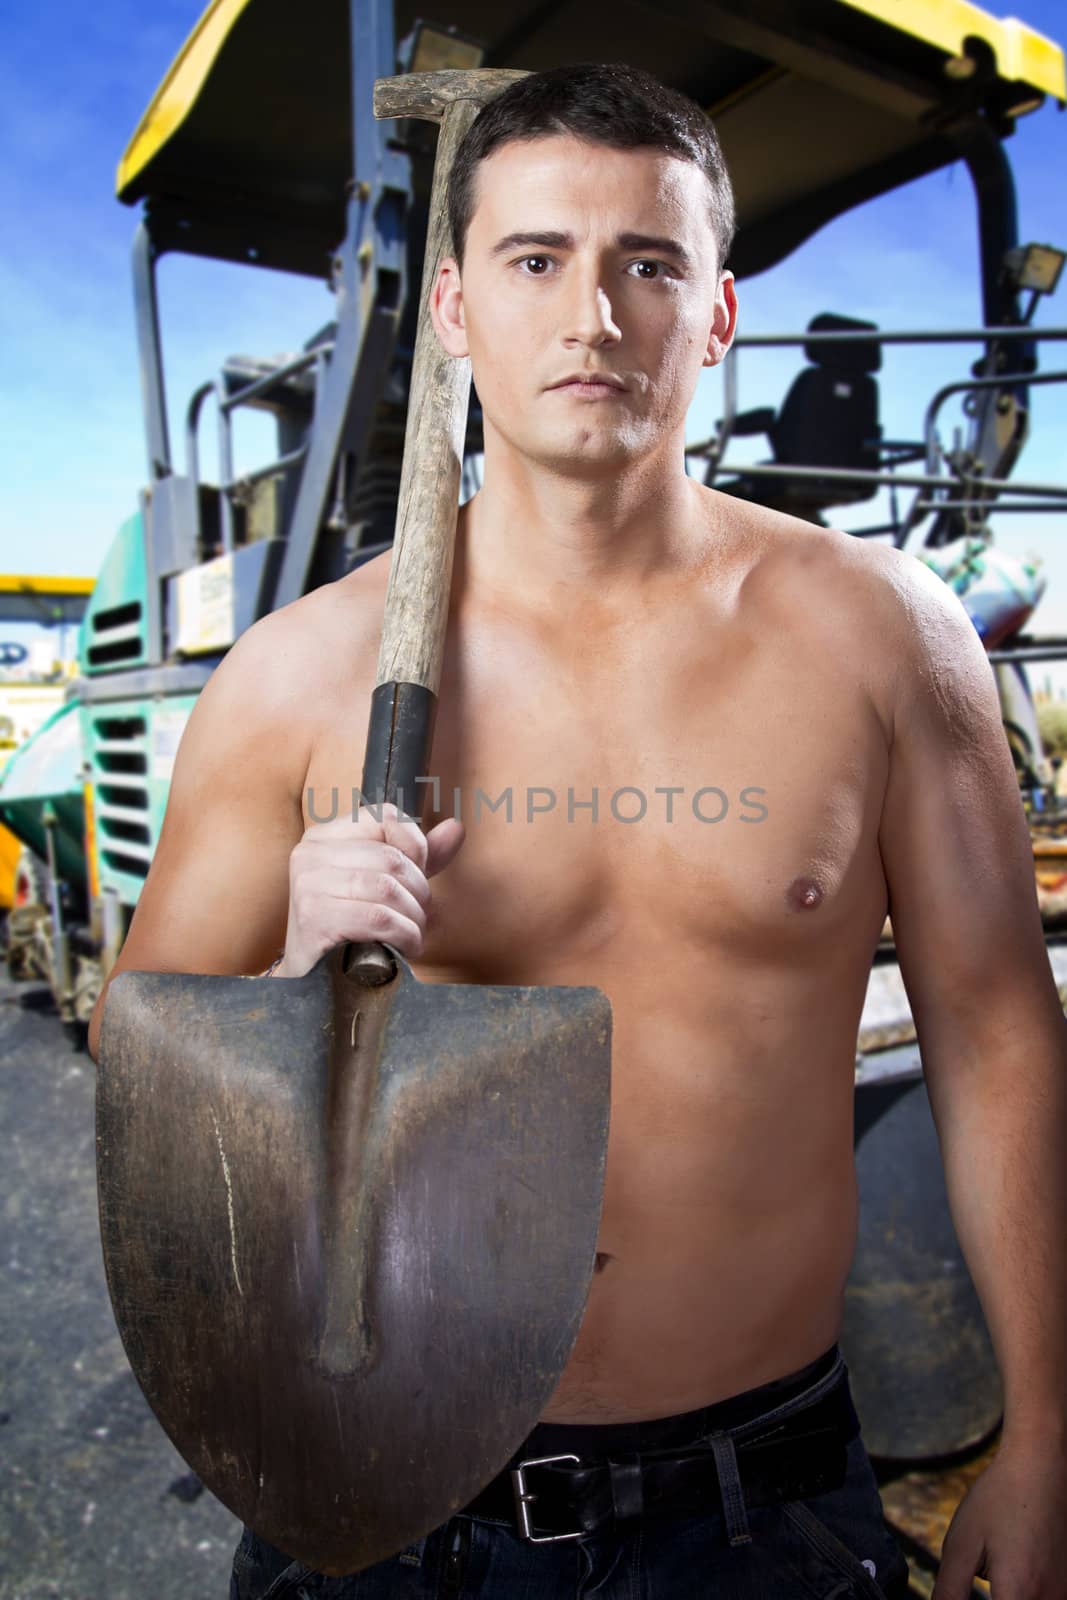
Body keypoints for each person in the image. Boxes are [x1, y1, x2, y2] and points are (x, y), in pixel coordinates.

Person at [89, 61, 1067, 1600]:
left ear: (719, 315)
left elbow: (1001, 1031)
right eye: (538, 261)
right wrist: (290, 959)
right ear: (459, 315)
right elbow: (137, 1047)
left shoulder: (883, 641)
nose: (594, 317)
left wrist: (1052, 1435)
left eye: (649, 264)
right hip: (385, 1496)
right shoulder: (301, 680)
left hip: (764, 1501)